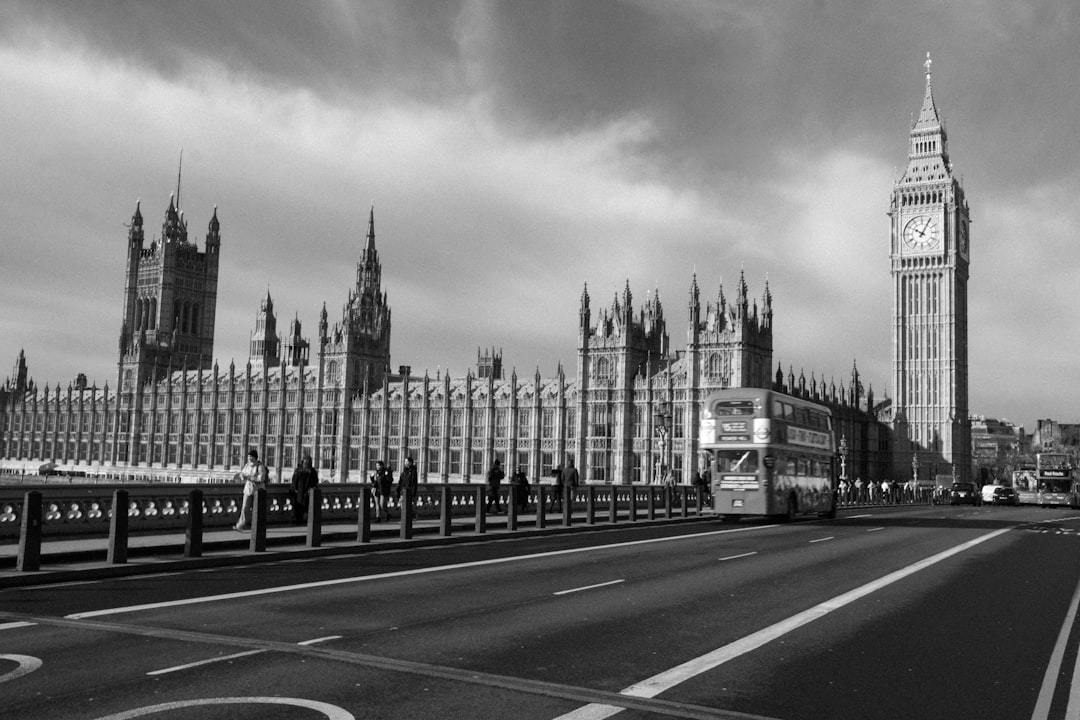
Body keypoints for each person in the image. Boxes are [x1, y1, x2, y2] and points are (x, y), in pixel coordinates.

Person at [235, 448, 269, 531]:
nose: (250, 459)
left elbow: (261, 479)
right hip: (248, 490)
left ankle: (258, 527)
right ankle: (240, 525)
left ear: (255, 457)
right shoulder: (247, 465)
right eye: (248, 457)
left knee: (257, 510)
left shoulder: (260, 467)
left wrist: (249, 478)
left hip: (258, 491)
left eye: (251, 457)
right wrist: (242, 476)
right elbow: (242, 473)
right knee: (245, 508)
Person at [289, 454, 319, 525]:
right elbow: (294, 482)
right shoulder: (302, 471)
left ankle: (300, 522)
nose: (306, 464)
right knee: (300, 510)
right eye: (306, 462)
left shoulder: (308, 471)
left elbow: (315, 482)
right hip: (301, 493)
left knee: (303, 510)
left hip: (304, 494)